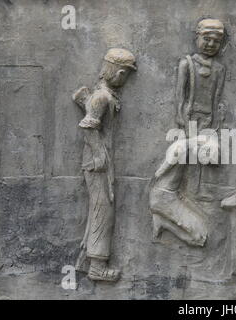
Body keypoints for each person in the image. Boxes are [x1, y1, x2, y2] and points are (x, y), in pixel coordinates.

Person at [150, 19, 226, 246]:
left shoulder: (219, 69)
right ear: (197, 38)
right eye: (207, 39)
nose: (211, 44)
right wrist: (181, 119)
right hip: (189, 116)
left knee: (202, 156)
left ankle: (197, 191)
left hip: (208, 118)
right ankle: (169, 190)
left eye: (216, 41)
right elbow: (179, 96)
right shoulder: (187, 64)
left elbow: (216, 97)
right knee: (184, 153)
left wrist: (215, 120)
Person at [73, 48, 137, 281]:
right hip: (97, 162)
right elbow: (88, 127)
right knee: (103, 210)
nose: (124, 78)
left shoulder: (104, 95)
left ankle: (85, 260)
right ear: (117, 73)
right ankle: (97, 267)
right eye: (124, 74)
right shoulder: (102, 97)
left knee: (99, 208)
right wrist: (100, 156)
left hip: (101, 159)